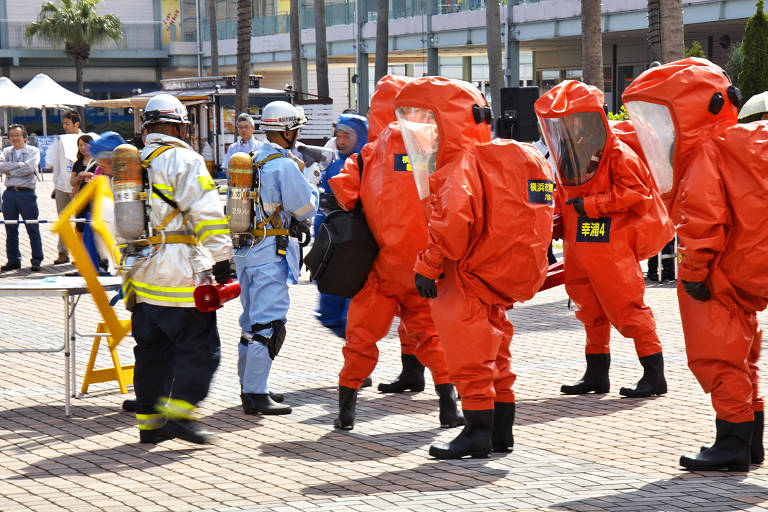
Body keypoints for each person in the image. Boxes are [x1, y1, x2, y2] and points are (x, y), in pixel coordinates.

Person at [394, 77, 554, 459]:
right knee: (498, 356)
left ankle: (477, 434)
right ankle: (501, 433)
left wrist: (427, 268)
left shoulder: (457, 168)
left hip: (461, 278)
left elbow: (450, 228)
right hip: (494, 279)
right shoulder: (514, 157)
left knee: (469, 358)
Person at [623, 57, 768, 472]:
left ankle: (733, 443)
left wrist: (693, 275)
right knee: (743, 356)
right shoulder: (740, 144)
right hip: (744, 269)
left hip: (718, 272)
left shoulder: (706, 152)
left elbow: (702, 221)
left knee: (719, 356)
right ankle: (748, 441)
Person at [328, 75, 463, 431]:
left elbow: (344, 194)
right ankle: (449, 404)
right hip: (425, 266)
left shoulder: (369, 154)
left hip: (381, 267)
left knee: (361, 338)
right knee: (431, 337)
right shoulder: (435, 145)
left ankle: (346, 409)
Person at [534, 80, 673, 399]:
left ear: (591, 118)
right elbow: (567, 197)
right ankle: (596, 375)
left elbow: (638, 193)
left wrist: (593, 206)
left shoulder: (618, 153)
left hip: (611, 247)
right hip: (581, 248)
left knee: (629, 309)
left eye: (575, 119)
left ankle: (655, 377)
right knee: (589, 311)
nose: (569, 127)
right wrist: (554, 225)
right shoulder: (573, 155)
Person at [122, 94, 233, 445]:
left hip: (140, 273)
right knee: (201, 347)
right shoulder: (185, 159)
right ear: (177, 126)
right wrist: (222, 258)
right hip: (180, 274)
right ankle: (181, 414)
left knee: (151, 352)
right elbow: (207, 212)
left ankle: (150, 425)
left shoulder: (132, 161)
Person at [234, 101, 318, 416]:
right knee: (269, 322)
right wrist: (311, 181)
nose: (296, 134)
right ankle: (256, 394)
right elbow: (304, 207)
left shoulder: (251, 159)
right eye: (295, 129)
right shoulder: (283, 164)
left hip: (245, 250)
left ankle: (250, 385)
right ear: (286, 130)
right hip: (269, 252)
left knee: (250, 321)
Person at [314, 113, 368, 338]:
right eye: (339, 135)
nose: (341, 141)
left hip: (355, 249)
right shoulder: (335, 163)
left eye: (347, 136)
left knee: (353, 315)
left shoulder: (368, 164)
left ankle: (358, 364)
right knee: (330, 312)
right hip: (333, 248)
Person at [0, 124, 43, 272]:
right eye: (11, 135)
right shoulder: (6, 151)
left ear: (24, 137)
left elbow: (30, 168)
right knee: (10, 228)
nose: (14, 138)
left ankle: (37, 260)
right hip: (10, 193)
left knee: (32, 227)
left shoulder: (33, 150)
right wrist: (18, 165)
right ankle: (13, 260)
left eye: (17, 135)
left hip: (26, 193)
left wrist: (10, 169)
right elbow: (0, 166)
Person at [47, 109, 82, 265]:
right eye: (64, 124)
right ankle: (63, 252)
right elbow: (56, 164)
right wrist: (55, 185)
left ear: (77, 124)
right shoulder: (60, 140)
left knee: (81, 222)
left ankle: (79, 254)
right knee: (63, 221)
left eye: (68, 123)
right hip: (62, 186)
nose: (65, 126)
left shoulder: (84, 139)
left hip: (80, 187)